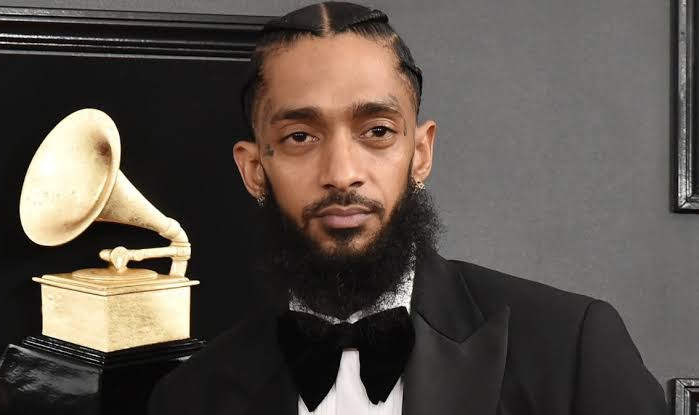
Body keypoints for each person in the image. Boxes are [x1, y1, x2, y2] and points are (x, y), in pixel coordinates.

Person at [148, 2, 666, 414]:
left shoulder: (572, 347)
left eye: (377, 131)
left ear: (420, 153)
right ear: (254, 169)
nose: (342, 172)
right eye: (300, 136)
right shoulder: (190, 397)